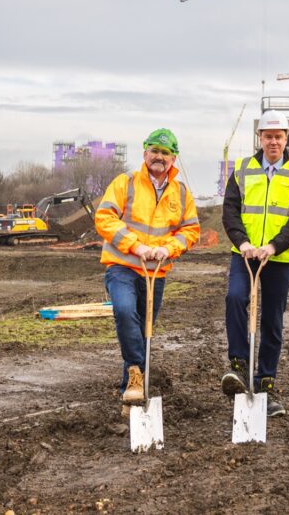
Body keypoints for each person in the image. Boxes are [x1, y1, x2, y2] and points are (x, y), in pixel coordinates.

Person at [95, 128, 200, 414]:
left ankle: (130, 392)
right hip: (123, 266)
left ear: (173, 158)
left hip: (156, 273)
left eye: (165, 153)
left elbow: (191, 230)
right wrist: (135, 246)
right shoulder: (125, 182)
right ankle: (137, 377)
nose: (159, 157)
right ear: (145, 154)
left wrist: (168, 248)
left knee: (143, 331)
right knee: (125, 312)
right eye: (154, 151)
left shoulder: (181, 191)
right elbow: (104, 217)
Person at [220, 111, 289, 417]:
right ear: (259, 138)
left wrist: (274, 246)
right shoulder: (242, 169)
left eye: (278, 136)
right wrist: (243, 243)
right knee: (235, 298)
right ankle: (239, 365)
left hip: (279, 257)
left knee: (272, 319)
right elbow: (230, 210)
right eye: (268, 136)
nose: (273, 141)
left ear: (286, 138)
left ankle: (266, 383)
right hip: (245, 254)